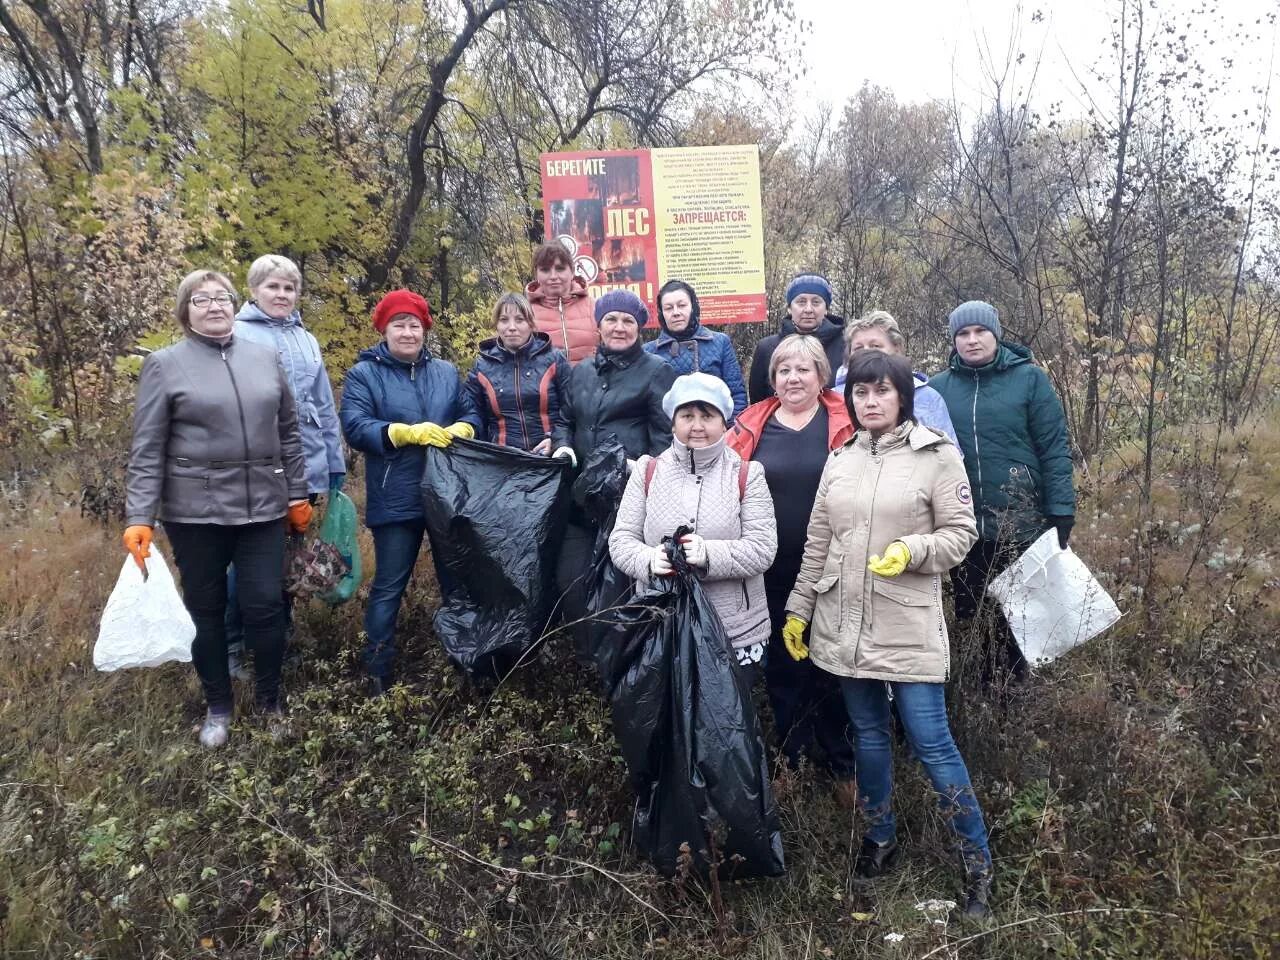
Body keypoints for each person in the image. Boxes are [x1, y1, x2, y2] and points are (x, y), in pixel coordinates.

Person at [782, 349, 992, 918]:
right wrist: (799, 610)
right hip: (843, 621)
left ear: (902, 396)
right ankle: (880, 838)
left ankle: (977, 866)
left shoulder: (936, 456)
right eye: (861, 392)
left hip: (906, 622)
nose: (870, 401)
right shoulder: (841, 457)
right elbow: (818, 543)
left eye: (881, 391)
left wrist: (914, 550)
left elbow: (961, 534)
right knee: (868, 735)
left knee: (931, 742)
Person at [123, 269, 311, 748]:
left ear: (234, 304)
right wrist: (139, 517)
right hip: (195, 513)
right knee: (206, 610)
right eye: (200, 299)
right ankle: (218, 708)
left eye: (222, 297)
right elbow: (147, 448)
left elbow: (288, 432)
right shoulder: (165, 365)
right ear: (185, 310)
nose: (214, 306)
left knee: (265, 607)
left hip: (263, 509)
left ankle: (270, 703)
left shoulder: (265, 357)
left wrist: (297, 493)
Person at [726, 334, 858, 804]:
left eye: (803, 369)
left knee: (835, 665)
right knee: (784, 667)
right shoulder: (748, 424)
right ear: (772, 377)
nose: (792, 378)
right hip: (770, 572)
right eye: (783, 370)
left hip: (835, 566)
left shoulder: (848, 418)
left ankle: (843, 764)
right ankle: (794, 761)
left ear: (822, 375)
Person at [339, 289, 481, 693]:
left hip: (446, 494)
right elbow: (354, 424)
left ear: (425, 330)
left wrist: (463, 428)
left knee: (456, 582)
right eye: (398, 325)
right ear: (384, 330)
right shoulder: (364, 374)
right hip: (395, 494)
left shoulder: (446, 373)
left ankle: (465, 660)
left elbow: (471, 413)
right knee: (389, 585)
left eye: (413, 325)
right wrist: (398, 432)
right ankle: (379, 672)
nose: (406, 332)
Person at [928, 300, 1075, 686]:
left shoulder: (1029, 380)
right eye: (963, 333)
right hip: (962, 525)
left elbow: (1054, 447)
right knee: (973, 612)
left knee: (1020, 614)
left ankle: (1015, 692)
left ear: (996, 334)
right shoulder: (939, 388)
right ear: (953, 340)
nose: (972, 340)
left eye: (980, 332)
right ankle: (980, 691)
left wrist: (1060, 509)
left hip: (1019, 520)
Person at [225, 254, 346, 679]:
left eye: (289, 288)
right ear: (254, 290)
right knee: (249, 562)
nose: (281, 294)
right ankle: (234, 643)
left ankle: (279, 638)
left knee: (291, 560)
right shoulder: (235, 334)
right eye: (273, 286)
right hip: (253, 472)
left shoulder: (306, 339)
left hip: (305, 468)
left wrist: (334, 462)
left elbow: (324, 405)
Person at [608, 373, 776, 672]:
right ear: (673, 423)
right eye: (687, 416)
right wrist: (648, 559)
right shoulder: (647, 471)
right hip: (661, 624)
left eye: (707, 416)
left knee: (728, 718)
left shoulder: (747, 475)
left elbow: (762, 548)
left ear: (724, 422)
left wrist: (710, 555)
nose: (697, 426)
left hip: (733, 633)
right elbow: (621, 540)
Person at [555, 290, 676, 636]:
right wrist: (564, 447)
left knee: (620, 583)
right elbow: (566, 419)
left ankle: (623, 656)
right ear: (599, 325)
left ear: (640, 328)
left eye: (628, 321)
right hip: (580, 498)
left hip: (627, 498)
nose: (619, 327)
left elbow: (666, 435)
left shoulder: (657, 372)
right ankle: (587, 657)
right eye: (611, 319)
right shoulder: (580, 372)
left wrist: (643, 469)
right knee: (572, 579)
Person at [465, 292, 576, 459]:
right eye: (504, 320)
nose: (511, 327)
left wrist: (556, 440)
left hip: (550, 457)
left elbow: (571, 408)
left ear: (531, 324)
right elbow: (473, 413)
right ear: (496, 325)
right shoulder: (482, 366)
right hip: (503, 461)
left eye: (519, 320)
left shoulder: (554, 359)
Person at [833, 310, 959, 449]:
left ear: (897, 348)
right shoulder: (834, 398)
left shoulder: (927, 398)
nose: (867, 352)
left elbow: (949, 454)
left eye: (875, 346)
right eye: (858, 348)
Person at [643, 280, 748, 418]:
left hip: (714, 433)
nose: (676, 313)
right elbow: (644, 405)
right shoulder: (648, 351)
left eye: (682, 305)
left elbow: (737, 395)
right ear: (661, 313)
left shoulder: (720, 342)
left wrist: (728, 431)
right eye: (668, 308)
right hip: (667, 436)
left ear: (693, 307)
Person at [747, 273, 845, 402]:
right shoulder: (767, 348)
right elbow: (758, 403)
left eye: (816, 302)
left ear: (826, 308)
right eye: (801, 302)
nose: (808, 309)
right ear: (789, 307)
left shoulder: (846, 346)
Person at [526, 242, 597, 364]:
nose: (553, 276)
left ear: (572, 271)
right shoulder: (525, 312)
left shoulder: (594, 307)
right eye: (545, 270)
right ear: (536, 274)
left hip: (588, 382)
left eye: (560, 268)